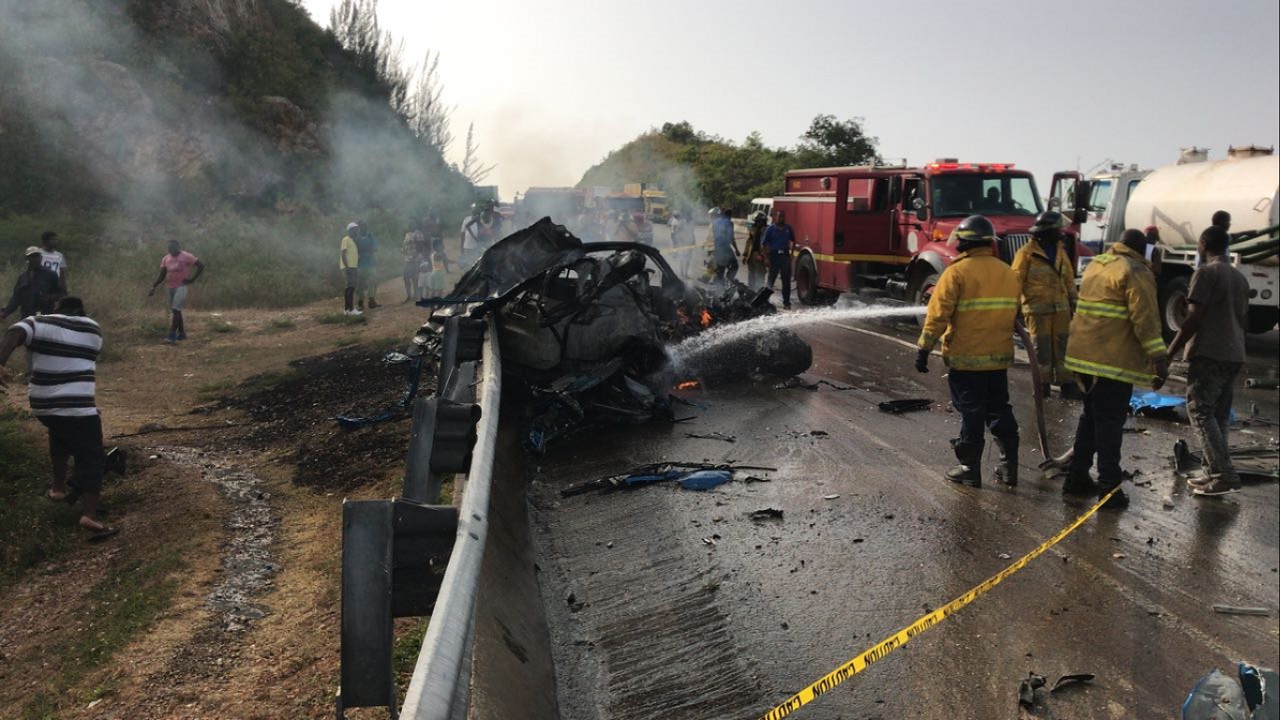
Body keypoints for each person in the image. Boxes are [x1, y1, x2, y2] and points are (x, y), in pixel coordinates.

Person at [1062, 228, 1169, 510]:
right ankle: (1109, 487)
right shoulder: (1135, 271)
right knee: (1109, 422)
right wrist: (1159, 358)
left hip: (1083, 358)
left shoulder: (1098, 264)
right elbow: (1146, 320)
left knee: (1090, 418)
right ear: (1139, 249)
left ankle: (1076, 477)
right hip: (1111, 361)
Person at [915, 215, 1021, 488]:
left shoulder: (955, 273)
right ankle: (1009, 469)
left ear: (966, 241)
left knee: (972, 412)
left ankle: (969, 469)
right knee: (1000, 409)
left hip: (966, 359)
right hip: (998, 359)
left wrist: (924, 348)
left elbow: (938, 315)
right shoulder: (1007, 272)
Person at [0, 296, 117, 541]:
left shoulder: (40, 321)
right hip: (76, 405)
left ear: (57, 309)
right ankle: (89, 514)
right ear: (82, 311)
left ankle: (58, 489)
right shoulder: (94, 329)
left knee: (60, 432)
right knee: (92, 455)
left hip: (43, 405)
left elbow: (14, 332)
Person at [1166, 225, 1250, 497]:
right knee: (1219, 416)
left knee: (1200, 411)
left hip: (1210, 353)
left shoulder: (1205, 273)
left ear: (1203, 245)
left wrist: (1170, 353)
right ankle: (1212, 470)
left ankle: (1223, 474)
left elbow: (1193, 318)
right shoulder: (1239, 277)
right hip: (1234, 353)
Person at [1012, 211, 1082, 399]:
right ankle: (1041, 385)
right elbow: (1016, 282)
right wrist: (1013, 310)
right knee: (1040, 348)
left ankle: (1067, 384)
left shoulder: (1060, 251)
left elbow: (1068, 280)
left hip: (1061, 310)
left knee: (1063, 347)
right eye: (1057, 229)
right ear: (1047, 231)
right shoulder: (1025, 254)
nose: (1061, 232)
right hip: (1037, 311)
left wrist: (1075, 301)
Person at [148, 240, 204, 342]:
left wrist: (192, 279)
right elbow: (162, 275)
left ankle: (172, 335)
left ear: (178, 247)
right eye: (169, 248)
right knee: (176, 310)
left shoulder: (186, 256)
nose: (171, 250)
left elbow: (201, 265)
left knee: (176, 310)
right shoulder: (166, 258)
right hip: (170, 287)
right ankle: (182, 334)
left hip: (181, 286)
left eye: (173, 247)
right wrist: (154, 286)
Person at [1, 247, 62, 322]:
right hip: (26, 317)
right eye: (32, 257)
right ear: (27, 259)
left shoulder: (50, 274)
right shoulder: (23, 277)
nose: (35, 259)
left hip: (45, 316)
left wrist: (49, 297)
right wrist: (5, 313)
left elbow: (61, 294)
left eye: (37, 256)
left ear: (41, 257)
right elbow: (16, 298)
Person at [762, 210, 796, 308]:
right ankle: (765, 301)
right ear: (775, 217)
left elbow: (793, 240)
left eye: (782, 216)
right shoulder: (770, 229)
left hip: (784, 256)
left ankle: (786, 303)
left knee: (786, 281)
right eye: (779, 216)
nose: (781, 218)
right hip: (774, 256)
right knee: (771, 280)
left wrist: (791, 253)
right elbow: (763, 244)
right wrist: (766, 258)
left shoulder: (788, 228)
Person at [355, 222, 379, 310]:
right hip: (361, 264)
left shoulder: (370, 236)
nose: (363, 228)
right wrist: (369, 250)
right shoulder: (357, 238)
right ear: (359, 228)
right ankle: (361, 303)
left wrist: (365, 251)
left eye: (364, 226)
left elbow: (375, 248)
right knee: (360, 285)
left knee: (372, 282)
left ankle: (371, 301)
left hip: (369, 263)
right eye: (361, 226)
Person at [711, 208, 739, 284]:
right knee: (735, 266)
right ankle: (729, 278)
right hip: (725, 248)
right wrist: (736, 249)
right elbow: (731, 238)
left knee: (720, 269)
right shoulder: (730, 223)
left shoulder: (715, 222)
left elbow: (714, 235)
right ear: (730, 215)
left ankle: (719, 288)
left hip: (717, 248)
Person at [742, 211, 768, 289]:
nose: (757, 223)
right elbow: (749, 242)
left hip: (760, 256)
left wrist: (763, 255)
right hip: (751, 255)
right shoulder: (753, 229)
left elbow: (767, 245)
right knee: (751, 274)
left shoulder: (767, 231)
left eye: (759, 221)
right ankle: (751, 291)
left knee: (760, 275)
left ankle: (759, 292)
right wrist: (745, 255)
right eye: (756, 221)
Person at [340, 222, 361, 316]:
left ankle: (347, 310)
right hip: (349, 267)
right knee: (350, 288)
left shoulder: (352, 240)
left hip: (353, 267)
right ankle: (350, 309)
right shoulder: (346, 239)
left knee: (350, 287)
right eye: (355, 229)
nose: (357, 231)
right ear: (350, 230)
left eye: (357, 229)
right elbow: (343, 253)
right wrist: (347, 267)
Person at [403, 223, 425, 303]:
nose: (410, 225)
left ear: (415, 224)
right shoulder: (407, 234)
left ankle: (415, 295)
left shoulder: (418, 233)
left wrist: (413, 257)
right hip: (407, 259)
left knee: (414, 278)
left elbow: (420, 247)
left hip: (416, 259)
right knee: (406, 277)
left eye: (412, 223)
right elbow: (405, 246)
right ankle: (409, 296)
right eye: (409, 223)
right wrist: (403, 251)